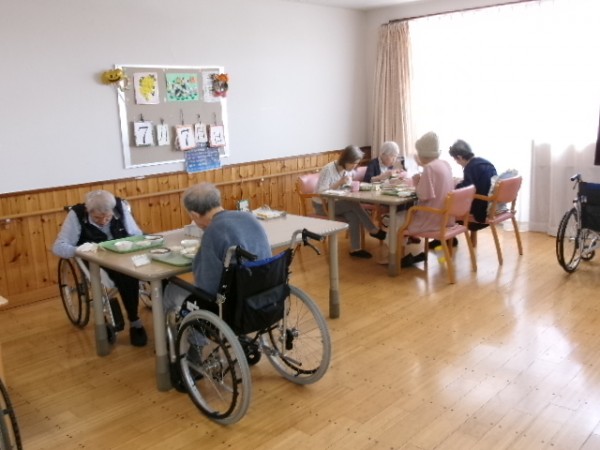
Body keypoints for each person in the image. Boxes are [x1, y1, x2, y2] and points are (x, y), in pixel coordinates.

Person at [52, 190, 148, 347]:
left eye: (108, 217)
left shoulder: (120, 207)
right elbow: (58, 247)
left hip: (123, 253)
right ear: (88, 211)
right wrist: (80, 250)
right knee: (127, 274)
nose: (103, 221)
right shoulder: (76, 215)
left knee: (157, 264)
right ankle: (135, 321)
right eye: (97, 218)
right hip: (96, 258)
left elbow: (136, 234)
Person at [163, 182, 272, 312]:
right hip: (265, 295)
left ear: (195, 215)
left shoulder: (213, 231)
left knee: (171, 289)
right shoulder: (249, 218)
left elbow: (206, 286)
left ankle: (183, 325)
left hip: (230, 305)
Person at [378, 132, 454, 267]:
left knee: (395, 220)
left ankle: (393, 258)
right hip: (445, 216)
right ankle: (439, 259)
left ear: (422, 153)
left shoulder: (429, 168)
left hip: (430, 217)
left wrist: (416, 182)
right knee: (401, 216)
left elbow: (423, 195)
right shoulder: (445, 164)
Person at [312, 145, 387, 259]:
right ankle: (372, 229)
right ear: (346, 160)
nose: (354, 166)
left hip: (339, 203)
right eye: (353, 163)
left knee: (353, 216)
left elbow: (345, 187)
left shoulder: (347, 171)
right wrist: (339, 183)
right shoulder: (328, 169)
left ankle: (355, 249)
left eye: (356, 163)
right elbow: (321, 192)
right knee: (353, 204)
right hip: (322, 205)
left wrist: (350, 186)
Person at [444, 139, 497, 247]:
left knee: (446, 209)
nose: (457, 163)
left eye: (456, 160)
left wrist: (454, 187)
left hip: (479, 212)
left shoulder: (470, 167)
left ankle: (447, 240)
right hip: (491, 207)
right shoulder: (485, 162)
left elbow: (466, 189)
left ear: (459, 157)